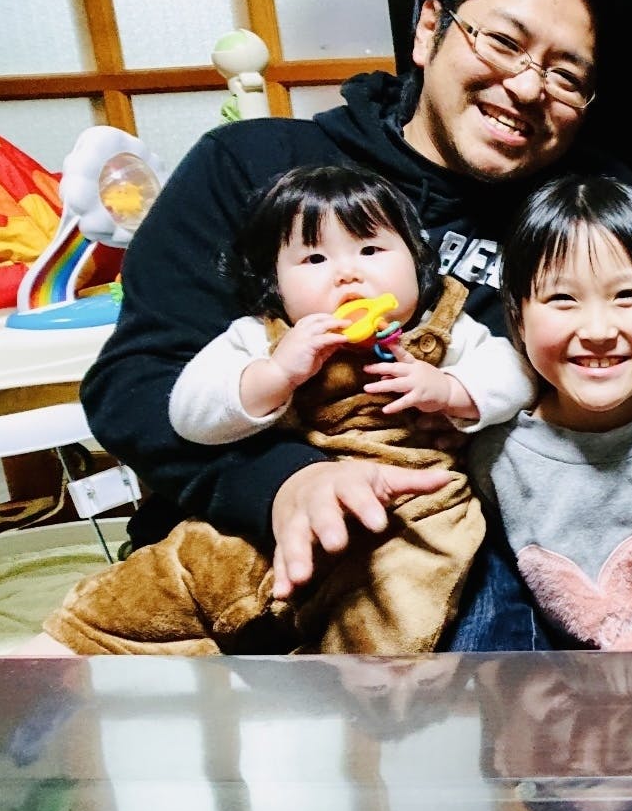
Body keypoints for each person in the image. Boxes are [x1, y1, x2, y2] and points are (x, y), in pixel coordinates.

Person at [79, 0, 632, 650]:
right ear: (429, 27)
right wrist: (283, 481)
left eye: (566, 75)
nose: (528, 87)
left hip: (475, 550)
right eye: (503, 42)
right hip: (247, 551)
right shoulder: (259, 168)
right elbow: (136, 382)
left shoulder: (586, 208)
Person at [38, 164, 534, 654]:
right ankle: (64, 652)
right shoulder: (262, 336)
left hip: (410, 513)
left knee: (401, 609)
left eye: (371, 250)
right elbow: (188, 413)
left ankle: (349, 691)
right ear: (274, 281)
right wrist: (275, 375)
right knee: (167, 578)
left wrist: (451, 389)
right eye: (314, 259)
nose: (348, 273)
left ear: (418, 260)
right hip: (271, 520)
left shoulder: (444, 328)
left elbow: (517, 373)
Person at [469, 173, 632, 650]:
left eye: (627, 296)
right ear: (518, 317)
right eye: (562, 299)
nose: (598, 330)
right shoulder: (491, 458)